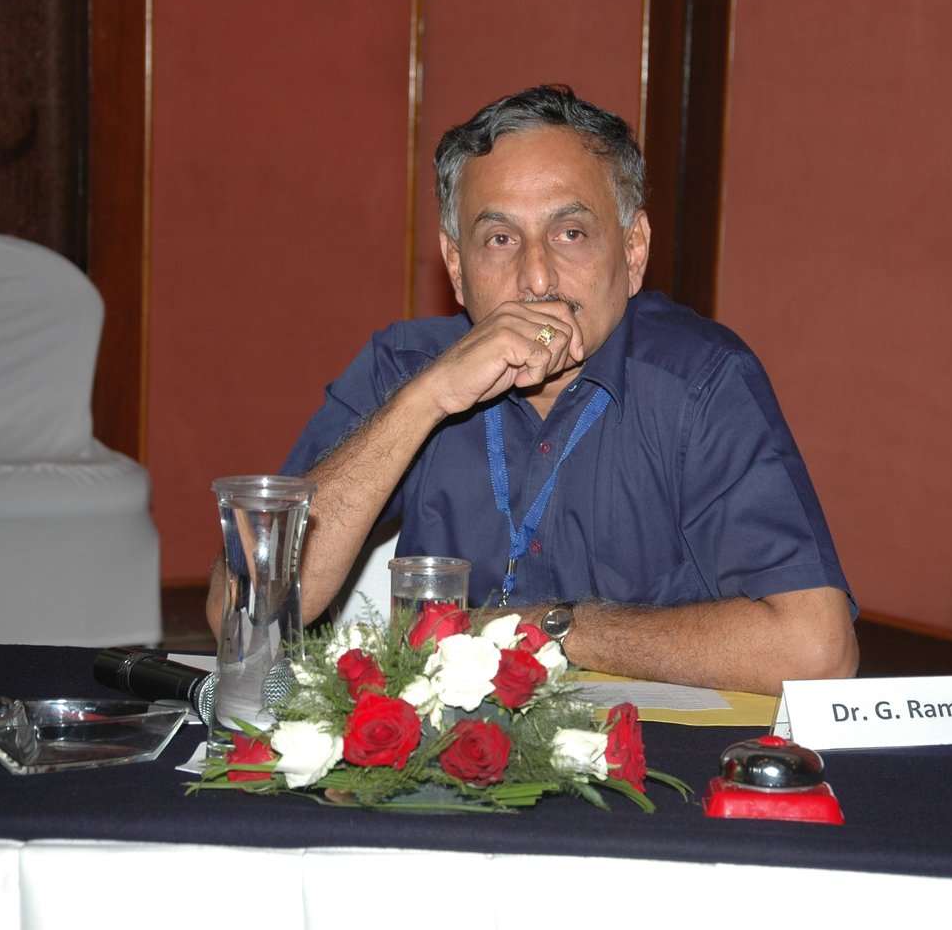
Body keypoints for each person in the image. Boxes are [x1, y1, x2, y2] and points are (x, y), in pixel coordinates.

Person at [207, 84, 857, 695]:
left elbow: (817, 652)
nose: (537, 278)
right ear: (456, 267)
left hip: (654, 758)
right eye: (500, 239)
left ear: (633, 251)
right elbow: (240, 610)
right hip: (446, 757)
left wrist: (546, 630)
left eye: (570, 233)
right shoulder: (402, 367)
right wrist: (426, 400)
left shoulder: (700, 381)